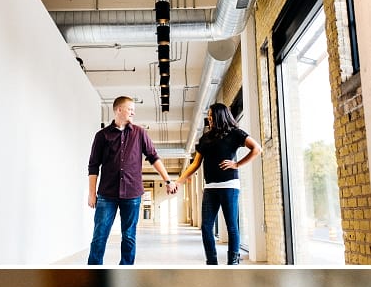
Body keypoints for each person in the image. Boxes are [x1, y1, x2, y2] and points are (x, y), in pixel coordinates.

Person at [87, 95, 178, 265]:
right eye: (130, 109)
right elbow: (93, 166)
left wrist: (168, 180)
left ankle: (125, 271)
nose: (133, 113)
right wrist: (92, 193)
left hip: (132, 194)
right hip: (107, 194)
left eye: (134, 110)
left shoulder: (140, 133)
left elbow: (153, 157)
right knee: (99, 236)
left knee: (129, 236)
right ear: (118, 110)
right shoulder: (102, 136)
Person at [173, 101, 263, 264]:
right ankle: (212, 261)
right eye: (208, 117)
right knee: (206, 227)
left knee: (231, 226)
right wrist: (178, 181)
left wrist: (237, 164)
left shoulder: (235, 133)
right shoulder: (206, 138)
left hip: (229, 186)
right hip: (210, 188)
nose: (210, 120)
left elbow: (256, 149)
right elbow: (195, 164)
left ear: (220, 116)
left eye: (211, 116)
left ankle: (233, 260)